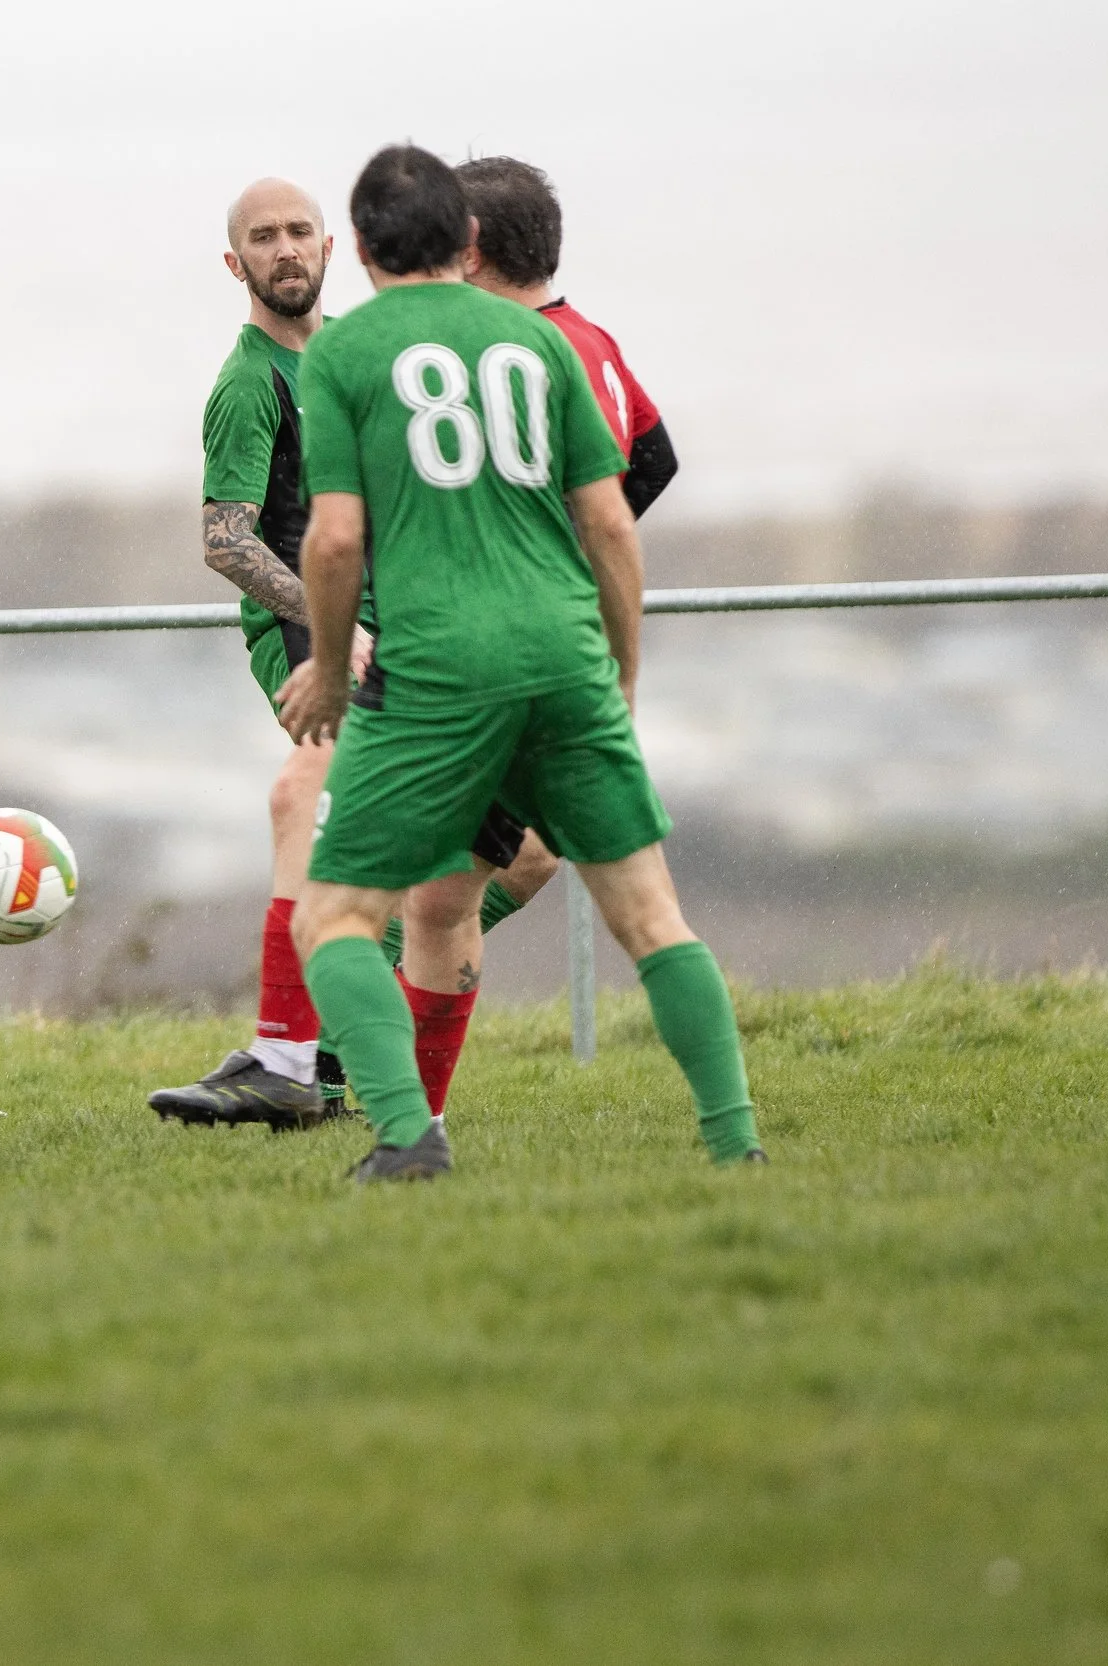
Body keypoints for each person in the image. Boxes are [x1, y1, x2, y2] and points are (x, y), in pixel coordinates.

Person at [277, 146, 763, 1182]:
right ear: (465, 242)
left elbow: (329, 542)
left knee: (335, 914)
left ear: (356, 249)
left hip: (437, 668)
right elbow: (611, 526)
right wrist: (617, 676)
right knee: (647, 913)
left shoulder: (343, 355)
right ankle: (735, 1144)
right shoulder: (541, 345)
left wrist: (325, 667)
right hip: (564, 656)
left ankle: (410, 1139)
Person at [147, 178, 553, 1133]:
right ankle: (288, 1057)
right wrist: (335, 635)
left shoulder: (360, 356)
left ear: (332, 247)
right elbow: (226, 540)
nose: (284, 249)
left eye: (299, 232)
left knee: (531, 851)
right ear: (233, 262)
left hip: (409, 621)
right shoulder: (249, 384)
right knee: (313, 794)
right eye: (262, 237)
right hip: (312, 632)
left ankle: (335, 1020)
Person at [456, 157, 678, 514]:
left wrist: (566, 553)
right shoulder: (593, 337)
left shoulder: (518, 353)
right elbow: (654, 462)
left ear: (469, 252)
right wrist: (594, 550)